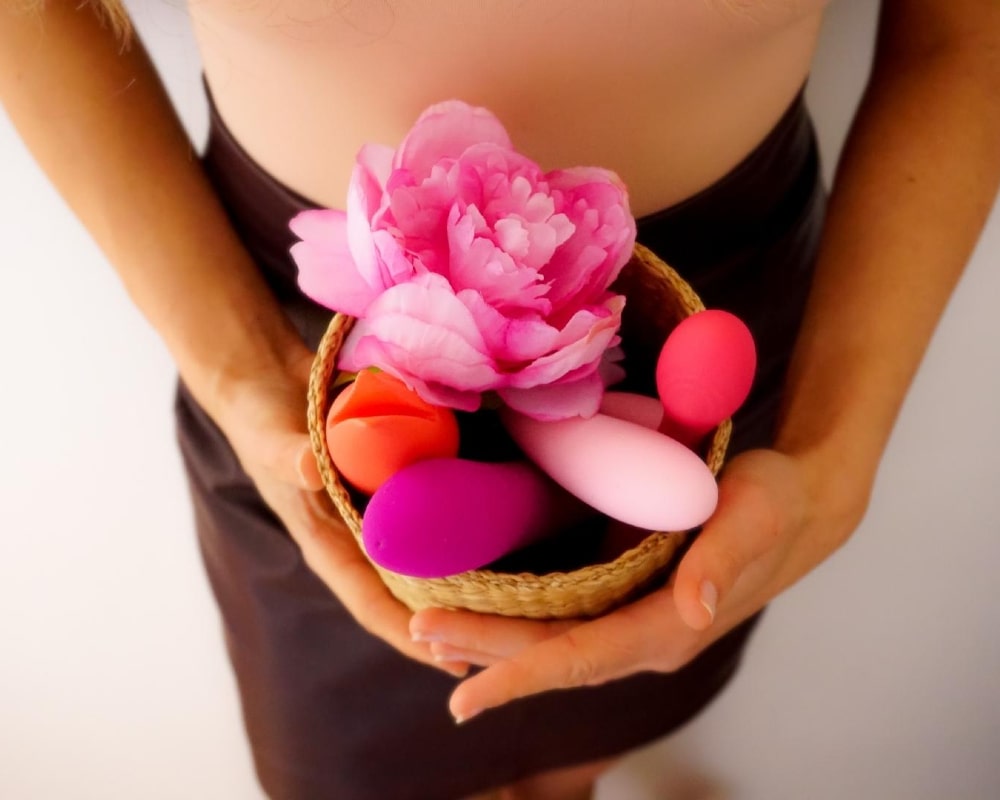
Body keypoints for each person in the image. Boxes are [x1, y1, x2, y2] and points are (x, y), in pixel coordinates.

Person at [2, 1, 998, 798]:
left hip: (711, 330)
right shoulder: (295, 394)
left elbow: (964, 32)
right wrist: (237, 369)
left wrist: (836, 450)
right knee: (358, 771)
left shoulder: (712, 373)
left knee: (587, 734)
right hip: (301, 357)